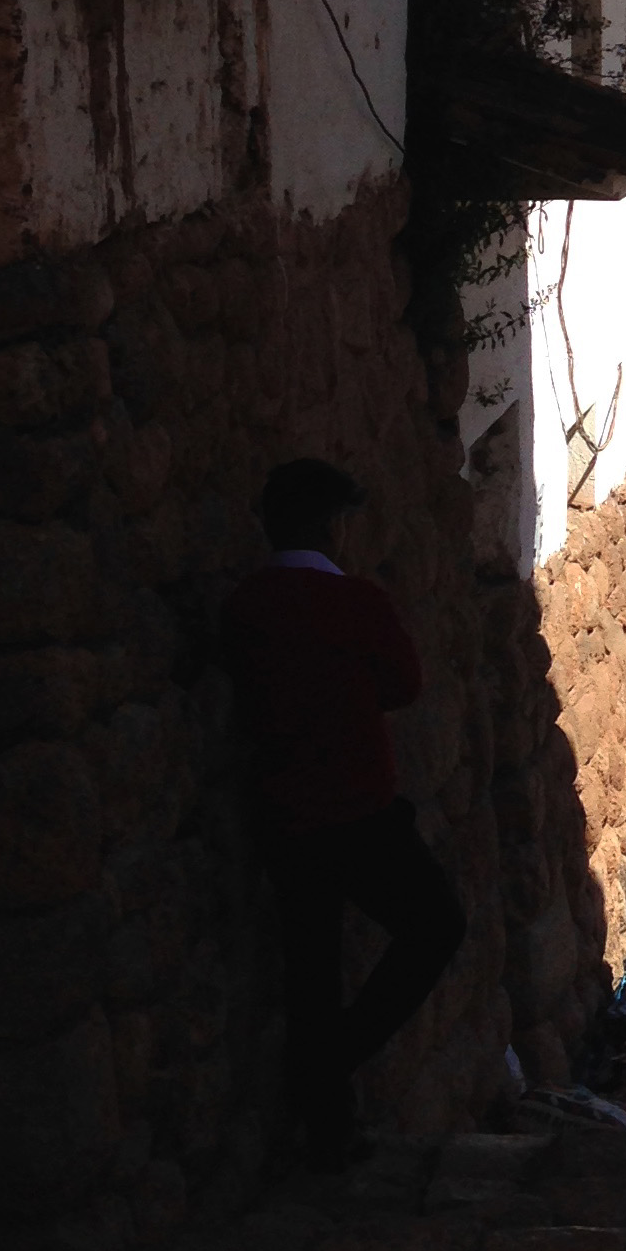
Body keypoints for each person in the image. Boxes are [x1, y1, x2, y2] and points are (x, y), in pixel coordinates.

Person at [221, 459, 466, 1168]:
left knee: (311, 968)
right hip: (358, 807)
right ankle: (329, 1068)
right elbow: (403, 684)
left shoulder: (245, 607)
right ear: (331, 527)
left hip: (280, 813)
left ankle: (326, 1128)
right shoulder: (357, 604)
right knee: (433, 926)